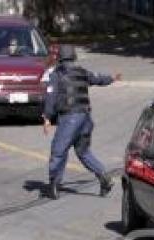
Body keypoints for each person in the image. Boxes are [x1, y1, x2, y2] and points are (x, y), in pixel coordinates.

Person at [41, 44, 120, 200]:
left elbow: (51, 97)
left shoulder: (57, 74)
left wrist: (47, 117)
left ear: (60, 58)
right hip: (86, 119)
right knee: (83, 151)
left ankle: (54, 185)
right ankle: (104, 177)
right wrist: (112, 78)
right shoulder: (82, 72)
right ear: (74, 57)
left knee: (58, 150)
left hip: (69, 118)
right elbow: (98, 78)